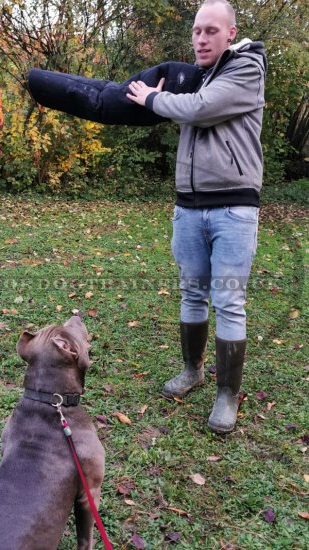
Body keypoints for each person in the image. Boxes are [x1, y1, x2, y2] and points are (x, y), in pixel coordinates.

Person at [126, 0, 267, 433]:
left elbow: (201, 109)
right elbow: (190, 105)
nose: (201, 39)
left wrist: (152, 97)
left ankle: (227, 394)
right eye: (196, 31)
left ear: (230, 33)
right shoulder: (197, 76)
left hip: (233, 208)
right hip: (188, 208)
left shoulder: (246, 69)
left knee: (227, 301)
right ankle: (192, 371)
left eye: (210, 31)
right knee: (191, 293)